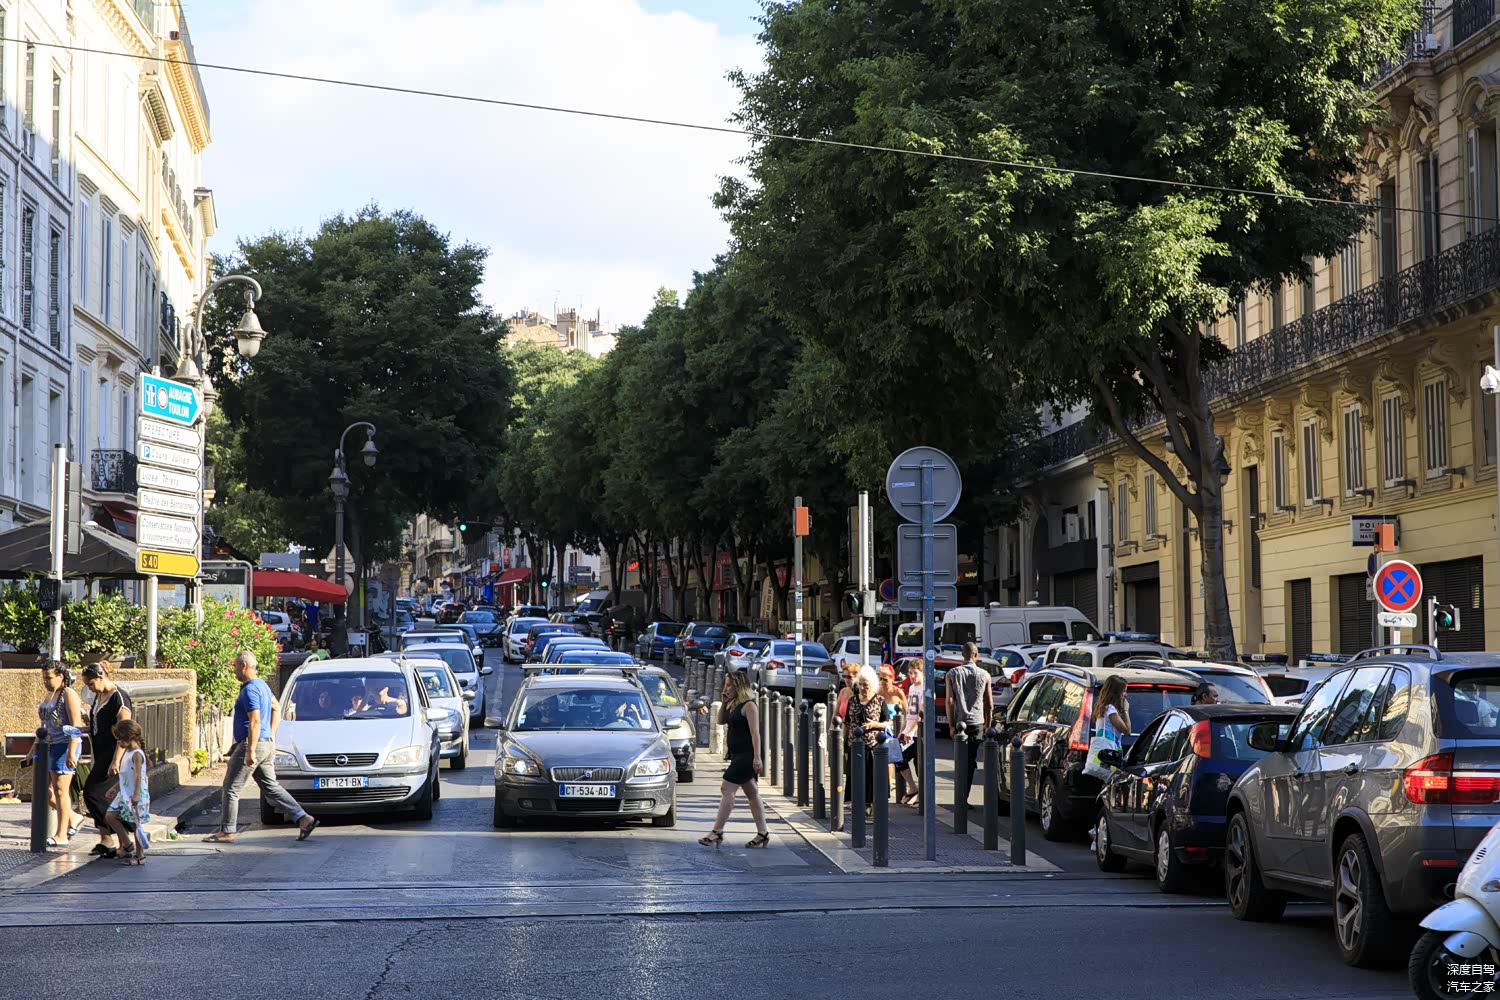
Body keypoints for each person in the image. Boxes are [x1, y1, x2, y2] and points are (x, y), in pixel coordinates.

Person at [205, 651, 317, 843]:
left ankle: (227, 831)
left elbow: (255, 720)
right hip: (265, 744)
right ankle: (304, 818)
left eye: (235, 666)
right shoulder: (263, 686)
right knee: (271, 787)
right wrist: (270, 736)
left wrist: (250, 750)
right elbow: (276, 708)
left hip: (252, 744)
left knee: (231, 788)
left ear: (243, 666)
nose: (234, 670)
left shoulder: (250, 690)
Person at [699, 670, 769, 849]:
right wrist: (724, 702)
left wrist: (757, 757)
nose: (726, 688)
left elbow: (755, 733)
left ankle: (717, 831)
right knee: (752, 793)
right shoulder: (733, 704)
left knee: (727, 788)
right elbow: (721, 721)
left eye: (729, 685)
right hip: (737, 755)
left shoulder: (749, 706)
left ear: (739, 686)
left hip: (748, 755)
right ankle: (763, 833)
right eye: (726, 685)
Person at [81, 662, 133, 859]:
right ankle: (107, 839)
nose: (90, 688)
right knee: (104, 796)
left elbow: (125, 730)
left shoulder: (119, 697)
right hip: (100, 750)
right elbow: (100, 724)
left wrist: (116, 760)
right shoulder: (99, 696)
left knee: (92, 793)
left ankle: (123, 837)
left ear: (101, 677)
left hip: (113, 753)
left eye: (91, 683)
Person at [35, 661, 85, 847]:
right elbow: (44, 725)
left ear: (60, 677)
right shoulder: (50, 694)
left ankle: (61, 834)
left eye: (48, 677)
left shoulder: (68, 694)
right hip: (48, 744)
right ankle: (73, 817)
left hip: (63, 745)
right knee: (43, 789)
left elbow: (75, 725)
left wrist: (72, 751)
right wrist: (33, 749)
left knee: (61, 789)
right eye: (44, 678)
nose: (45, 681)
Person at [944, 642, 994, 801]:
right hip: (977, 722)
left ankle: (960, 796)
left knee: (961, 760)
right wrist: (987, 725)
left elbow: (949, 701)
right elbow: (989, 704)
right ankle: (963, 797)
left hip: (960, 722)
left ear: (962, 655)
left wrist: (951, 725)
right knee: (970, 760)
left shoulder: (952, 674)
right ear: (976, 655)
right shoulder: (985, 675)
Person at [843, 665, 889, 817]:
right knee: (854, 775)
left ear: (872, 685)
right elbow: (847, 723)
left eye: (866, 685)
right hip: (854, 744)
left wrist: (875, 724)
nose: (863, 688)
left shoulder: (880, 701)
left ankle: (868, 805)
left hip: (872, 745)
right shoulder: (852, 700)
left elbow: (887, 723)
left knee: (870, 776)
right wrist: (844, 745)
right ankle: (856, 803)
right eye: (861, 684)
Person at [106, 719, 151, 866]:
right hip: (124, 792)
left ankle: (140, 855)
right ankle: (127, 843)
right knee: (110, 816)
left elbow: (138, 776)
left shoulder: (137, 754)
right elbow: (126, 775)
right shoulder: (127, 751)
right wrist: (114, 787)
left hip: (134, 793)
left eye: (120, 739)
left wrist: (136, 794)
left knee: (135, 824)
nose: (118, 742)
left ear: (129, 737)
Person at [897, 665, 924, 807]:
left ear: (922, 673)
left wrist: (912, 731)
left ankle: (921, 795)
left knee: (919, 765)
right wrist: (902, 730)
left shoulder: (926, 689)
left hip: (918, 733)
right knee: (898, 757)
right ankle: (913, 787)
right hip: (907, 731)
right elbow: (909, 713)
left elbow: (921, 713)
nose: (912, 676)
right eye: (910, 673)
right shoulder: (912, 688)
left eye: (915, 673)